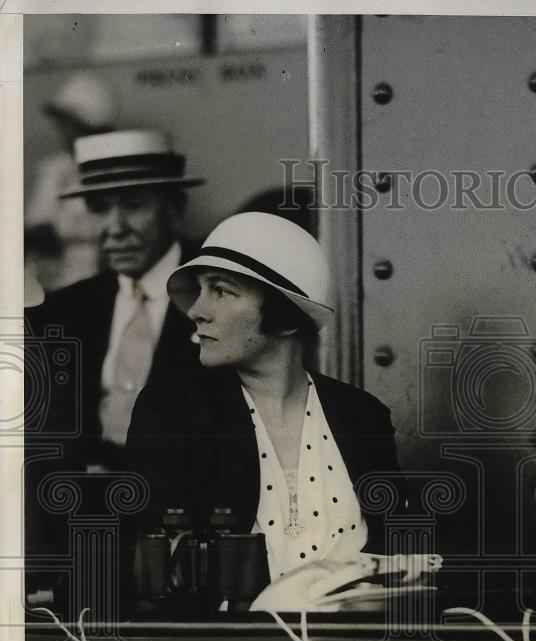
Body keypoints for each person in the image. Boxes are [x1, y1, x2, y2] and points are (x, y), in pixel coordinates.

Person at [126, 212, 405, 584]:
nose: (195, 311)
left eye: (221, 291)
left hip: (350, 640)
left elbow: (400, 558)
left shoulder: (362, 417)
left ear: (286, 318)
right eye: (200, 289)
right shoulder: (173, 410)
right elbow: (156, 565)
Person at [26, 129, 205, 470]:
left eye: (135, 205)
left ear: (174, 210)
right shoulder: (62, 311)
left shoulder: (214, 297)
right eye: (99, 208)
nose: (115, 227)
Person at [25, 73, 118, 291]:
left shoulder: (114, 169)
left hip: (99, 274)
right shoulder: (55, 168)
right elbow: (37, 225)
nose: (64, 132)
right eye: (62, 125)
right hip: (53, 274)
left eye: (71, 125)